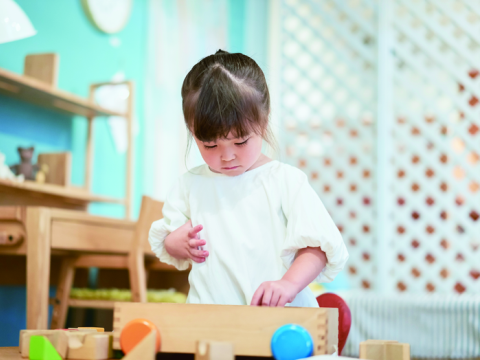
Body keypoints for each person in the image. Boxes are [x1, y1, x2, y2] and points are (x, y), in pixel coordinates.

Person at [149, 50, 348, 307]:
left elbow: (318, 247)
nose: (227, 156)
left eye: (240, 141)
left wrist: (288, 284)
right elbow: (168, 241)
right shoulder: (190, 185)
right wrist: (175, 243)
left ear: (263, 123)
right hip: (212, 319)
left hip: (279, 318)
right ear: (192, 131)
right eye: (210, 145)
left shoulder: (285, 180)